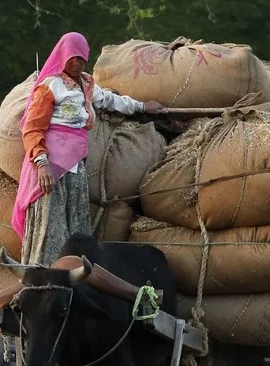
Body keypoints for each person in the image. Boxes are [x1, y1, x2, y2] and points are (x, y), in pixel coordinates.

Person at [10, 31, 166, 266]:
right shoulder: (50, 86)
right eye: (72, 57)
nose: (76, 63)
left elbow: (112, 101)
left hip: (75, 166)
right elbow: (32, 129)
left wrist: (143, 107)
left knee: (78, 223)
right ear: (62, 57)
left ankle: (75, 276)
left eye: (81, 58)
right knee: (50, 225)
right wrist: (41, 165)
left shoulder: (87, 84)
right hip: (51, 167)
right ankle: (45, 278)